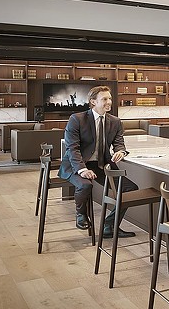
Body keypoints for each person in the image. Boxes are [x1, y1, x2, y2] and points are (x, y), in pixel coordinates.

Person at [59, 85, 138, 237]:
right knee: (85, 185)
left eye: (110, 98)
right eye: (104, 99)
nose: (109, 102)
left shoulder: (115, 121)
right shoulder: (77, 119)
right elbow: (72, 149)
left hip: (99, 165)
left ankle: (109, 226)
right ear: (93, 102)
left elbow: (119, 142)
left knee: (130, 188)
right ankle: (80, 214)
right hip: (76, 165)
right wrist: (82, 170)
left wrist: (120, 151)